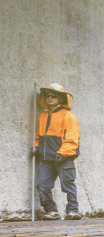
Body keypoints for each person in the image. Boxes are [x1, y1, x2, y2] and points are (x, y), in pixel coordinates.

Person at [34, 83, 81, 220]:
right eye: (48, 95)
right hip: (46, 158)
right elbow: (39, 135)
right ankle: (51, 211)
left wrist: (63, 153)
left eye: (54, 95)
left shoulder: (68, 116)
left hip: (64, 157)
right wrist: (36, 146)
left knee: (67, 184)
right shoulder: (42, 116)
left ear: (61, 98)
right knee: (43, 184)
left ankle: (72, 210)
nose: (50, 98)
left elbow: (72, 137)